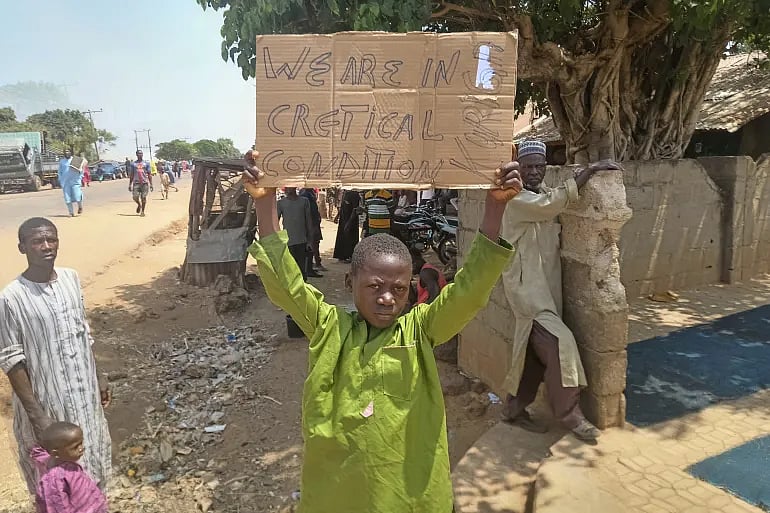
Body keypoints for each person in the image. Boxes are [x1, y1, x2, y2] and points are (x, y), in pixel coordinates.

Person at [242, 148, 522, 513]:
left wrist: (495, 208)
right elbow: (286, 283)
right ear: (349, 283)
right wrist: (264, 204)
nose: (388, 299)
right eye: (375, 287)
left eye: (399, 289)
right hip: (337, 497)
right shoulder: (329, 327)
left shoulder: (420, 330)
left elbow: (469, 291)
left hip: (411, 498)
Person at [499, 140, 622, 442]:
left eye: (539, 167)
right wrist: (590, 170)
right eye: (527, 167)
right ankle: (570, 415)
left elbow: (551, 202)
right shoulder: (516, 200)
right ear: (519, 170)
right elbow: (552, 204)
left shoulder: (540, 195)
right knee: (560, 343)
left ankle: (513, 409)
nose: (533, 173)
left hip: (545, 295)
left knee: (533, 354)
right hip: (528, 295)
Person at [0, 218, 112, 496]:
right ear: (22, 247)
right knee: (56, 482)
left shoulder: (71, 279)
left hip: (85, 394)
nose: (46, 246)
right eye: (37, 241)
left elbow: (82, 332)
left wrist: (99, 375)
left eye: (51, 239)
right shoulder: (11, 298)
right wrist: (38, 417)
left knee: (93, 458)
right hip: (49, 403)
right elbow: (12, 361)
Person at [31, 422, 108, 513]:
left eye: (81, 443)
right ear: (56, 453)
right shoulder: (55, 479)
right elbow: (58, 507)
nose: (81, 448)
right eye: (75, 447)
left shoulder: (67, 463)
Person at [277, 187, 318, 280]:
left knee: (301, 268)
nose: (287, 189)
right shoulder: (281, 203)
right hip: (288, 241)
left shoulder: (304, 201)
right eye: (286, 188)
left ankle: (303, 288)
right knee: (290, 268)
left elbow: (308, 221)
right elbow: (276, 221)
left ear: (294, 187)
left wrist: (310, 240)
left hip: (302, 240)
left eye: (289, 187)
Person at [300, 188, 327, 273]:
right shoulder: (306, 195)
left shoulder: (308, 193)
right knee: (313, 243)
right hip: (311, 223)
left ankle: (312, 264)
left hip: (313, 222)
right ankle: (314, 264)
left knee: (314, 243)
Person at [332, 189, 361, 263]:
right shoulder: (345, 192)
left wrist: (349, 223)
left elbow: (355, 210)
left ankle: (350, 256)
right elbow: (342, 206)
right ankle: (341, 256)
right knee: (342, 237)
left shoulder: (354, 194)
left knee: (351, 238)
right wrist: (337, 216)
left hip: (351, 221)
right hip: (343, 219)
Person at [57, 150, 83, 217]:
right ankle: (71, 212)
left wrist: (80, 176)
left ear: (71, 153)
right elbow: (59, 172)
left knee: (77, 196)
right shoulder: (62, 162)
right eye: (65, 152)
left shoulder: (75, 160)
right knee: (67, 198)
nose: (67, 153)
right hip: (65, 182)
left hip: (75, 181)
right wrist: (60, 180)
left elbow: (82, 169)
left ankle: (80, 206)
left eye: (68, 151)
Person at [128, 150, 153, 217]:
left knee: (143, 197)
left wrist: (151, 184)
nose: (140, 154)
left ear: (142, 154)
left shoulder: (146, 163)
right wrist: (130, 184)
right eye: (139, 153)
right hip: (136, 183)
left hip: (144, 183)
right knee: (135, 197)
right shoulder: (133, 164)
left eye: (141, 153)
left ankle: (143, 211)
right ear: (136, 154)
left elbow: (149, 174)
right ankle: (139, 204)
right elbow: (132, 175)